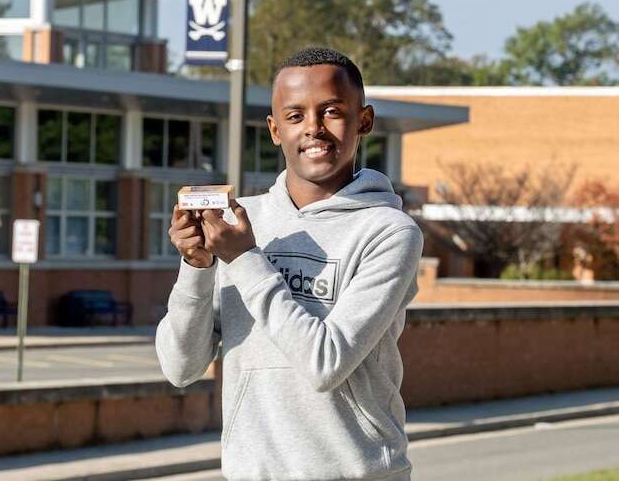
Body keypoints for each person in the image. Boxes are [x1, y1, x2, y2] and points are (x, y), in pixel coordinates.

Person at [156, 46, 423, 480]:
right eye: (295, 116)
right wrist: (197, 265)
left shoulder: (389, 232)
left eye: (332, 111)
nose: (313, 129)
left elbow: (326, 363)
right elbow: (180, 368)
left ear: (364, 121)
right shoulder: (244, 220)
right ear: (275, 130)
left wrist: (244, 258)